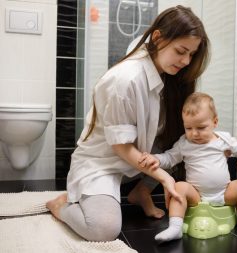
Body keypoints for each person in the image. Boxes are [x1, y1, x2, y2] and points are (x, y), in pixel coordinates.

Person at [46, 5, 210, 242]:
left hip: (136, 159)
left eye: (192, 54)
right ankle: (60, 206)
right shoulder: (124, 80)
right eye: (181, 51)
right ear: (157, 38)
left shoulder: (164, 72)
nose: (186, 61)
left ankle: (141, 191)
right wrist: (164, 177)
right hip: (102, 163)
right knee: (103, 229)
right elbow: (121, 147)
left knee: (183, 144)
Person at [139, 92, 237, 243]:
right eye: (188, 128)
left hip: (224, 192)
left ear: (215, 122)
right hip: (197, 195)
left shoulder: (222, 139)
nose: (194, 133)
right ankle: (175, 227)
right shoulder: (184, 143)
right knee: (178, 187)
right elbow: (170, 157)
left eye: (201, 127)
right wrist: (156, 159)